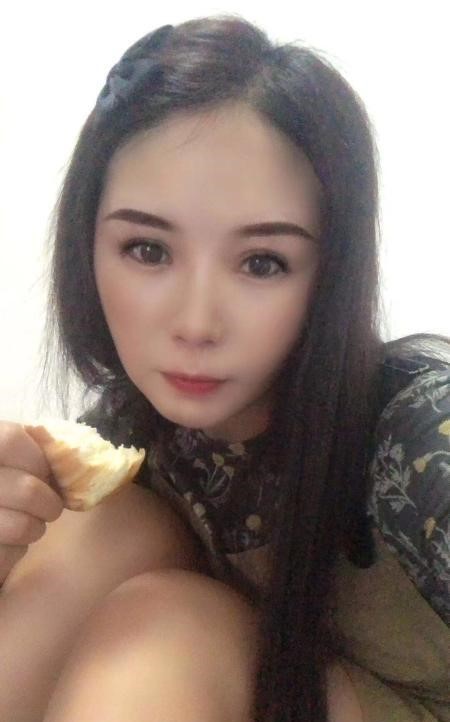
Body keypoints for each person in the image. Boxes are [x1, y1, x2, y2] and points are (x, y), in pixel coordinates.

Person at [0, 14, 449, 722]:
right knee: (104, 529)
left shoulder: (423, 443)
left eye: (262, 263)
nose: (196, 323)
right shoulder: (130, 436)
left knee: (169, 621)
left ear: (331, 273)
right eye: (148, 250)